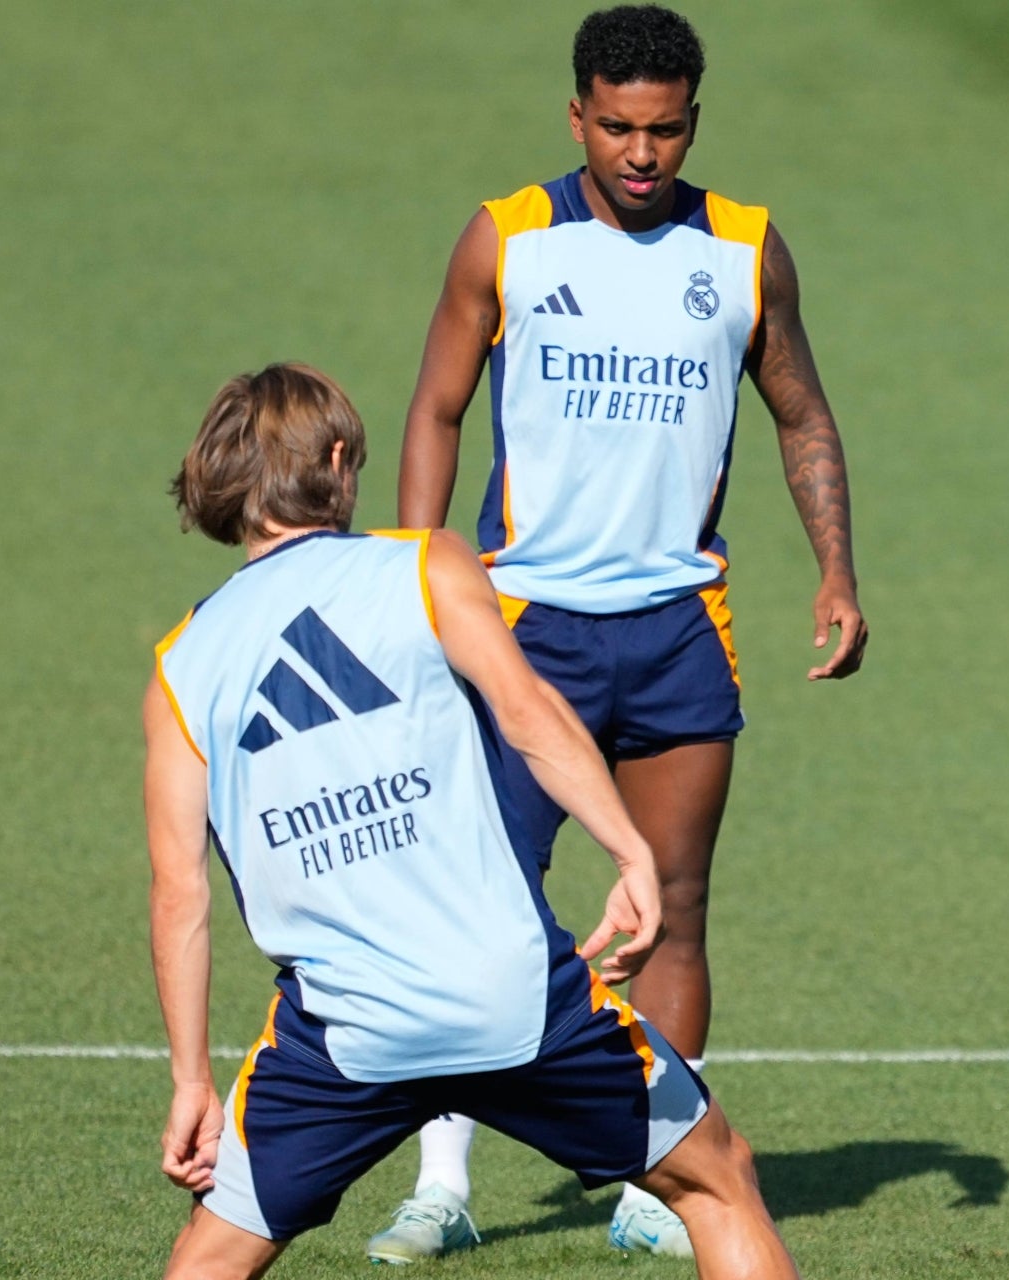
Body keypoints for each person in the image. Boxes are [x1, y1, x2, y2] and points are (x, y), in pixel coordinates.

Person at [377, 4, 868, 1259]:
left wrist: (836, 574)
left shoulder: (747, 250)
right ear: (576, 115)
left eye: (663, 129)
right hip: (524, 628)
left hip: (677, 632)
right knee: (480, 901)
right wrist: (419, 579)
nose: (640, 153)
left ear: (692, 119)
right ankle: (443, 1182)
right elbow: (434, 411)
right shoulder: (509, 239)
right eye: (616, 127)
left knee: (679, 906)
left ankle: (655, 1181)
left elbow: (801, 414)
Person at [145, 364, 798, 1279]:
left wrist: (189, 1083)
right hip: (512, 1003)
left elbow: (181, 894)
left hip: (345, 1037)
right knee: (717, 1179)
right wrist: (630, 852)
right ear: (336, 461)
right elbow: (530, 713)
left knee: (210, 1259)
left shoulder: (181, 666)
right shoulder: (425, 563)